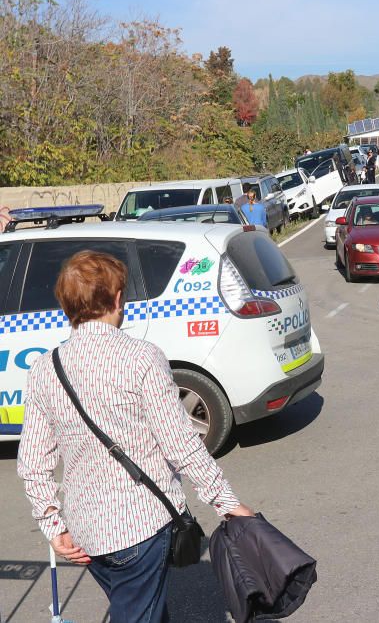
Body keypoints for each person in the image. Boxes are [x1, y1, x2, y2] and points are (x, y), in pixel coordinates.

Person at [16, 251, 253, 622]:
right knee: (139, 612)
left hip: (85, 532)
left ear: (66, 305)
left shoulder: (47, 368)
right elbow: (181, 444)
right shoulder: (141, 358)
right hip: (140, 526)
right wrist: (227, 504)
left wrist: (53, 524)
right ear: (116, 298)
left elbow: (32, 462)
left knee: (143, 609)